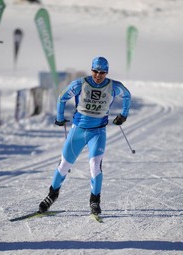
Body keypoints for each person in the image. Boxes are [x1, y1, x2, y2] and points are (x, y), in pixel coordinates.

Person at [38, 56, 131, 215]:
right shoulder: (80, 84)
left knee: (95, 165)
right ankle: (52, 195)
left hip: (98, 132)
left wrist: (123, 115)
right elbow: (62, 98)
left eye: (102, 72)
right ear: (91, 70)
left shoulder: (113, 86)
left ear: (106, 72)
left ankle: (95, 201)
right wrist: (60, 117)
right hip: (78, 130)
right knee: (64, 166)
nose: (98, 75)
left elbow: (127, 95)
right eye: (95, 71)